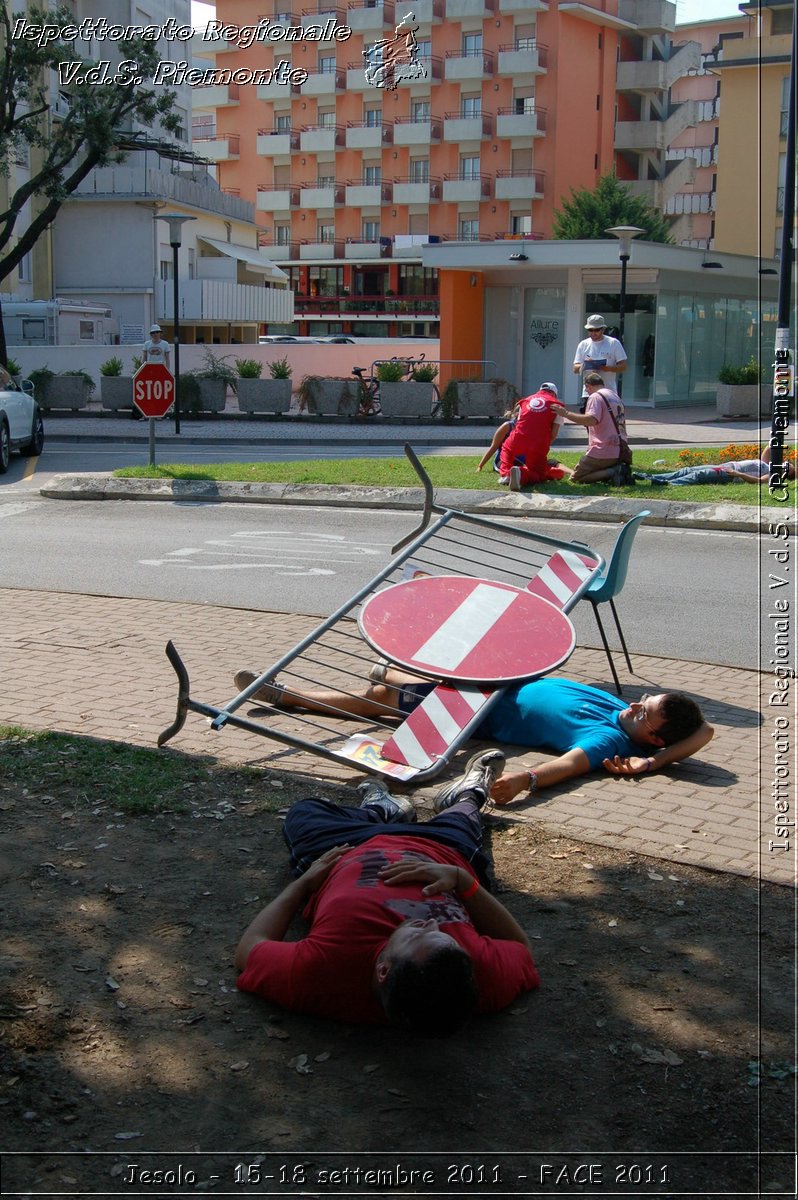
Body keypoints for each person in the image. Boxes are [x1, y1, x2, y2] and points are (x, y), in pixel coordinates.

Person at [235, 751, 539, 1033]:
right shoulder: (471, 976)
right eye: (446, 935)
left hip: (344, 849)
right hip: (441, 849)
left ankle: (380, 810)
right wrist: (462, 880)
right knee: (462, 820)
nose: (433, 924)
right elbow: (520, 947)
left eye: (418, 934)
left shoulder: (318, 975)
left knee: (303, 812)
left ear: (383, 969)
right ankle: (469, 795)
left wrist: (302, 885)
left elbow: (249, 949)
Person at [232, 669, 713, 804]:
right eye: (642, 700)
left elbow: (568, 766)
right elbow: (706, 729)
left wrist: (525, 781)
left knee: (378, 695)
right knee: (388, 682)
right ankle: (293, 693)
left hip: (476, 709)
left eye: (642, 712)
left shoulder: (610, 741)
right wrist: (660, 762)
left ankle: (286, 696)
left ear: (651, 736)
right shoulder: (627, 720)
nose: (632, 704)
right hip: (493, 678)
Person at [494, 382, 572, 491]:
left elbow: (520, 423)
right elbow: (553, 434)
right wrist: (542, 447)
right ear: (554, 394)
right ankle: (522, 474)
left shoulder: (526, 401)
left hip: (518, 437)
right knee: (538, 474)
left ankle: (506, 474)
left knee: (506, 449)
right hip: (539, 443)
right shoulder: (557, 405)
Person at [560, 372, 631, 485]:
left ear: (588, 386)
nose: (587, 392)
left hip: (602, 450)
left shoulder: (595, 397)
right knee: (588, 470)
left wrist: (566, 413)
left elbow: (591, 420)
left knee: (576, 478)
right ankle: (614, 470)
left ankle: (612, 472)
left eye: (586, 390)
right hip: (620, 450)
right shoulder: (614, 396)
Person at [635, 444, 795, 486]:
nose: (784, 463)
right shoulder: (767, 463)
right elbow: (769, 447)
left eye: (787, 466)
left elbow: (758, 481)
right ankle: (650, 477)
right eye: (787, 462)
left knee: (699, 476)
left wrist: (738, 475)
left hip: (730, 473)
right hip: (727, 465)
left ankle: (667, 483)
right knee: (688, 469)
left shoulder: (771, 475)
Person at [573, 315, 627, 409]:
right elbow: (575, 369)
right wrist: (586, 365)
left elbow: (623, 366)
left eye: (596, 330)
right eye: (590, 330)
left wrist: (607, 368)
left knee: (608, 421)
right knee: (589, 421)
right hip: (589, 392)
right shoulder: (583, 344)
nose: (593, 333)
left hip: (608, 391)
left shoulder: (613, 343)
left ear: (603, 329)